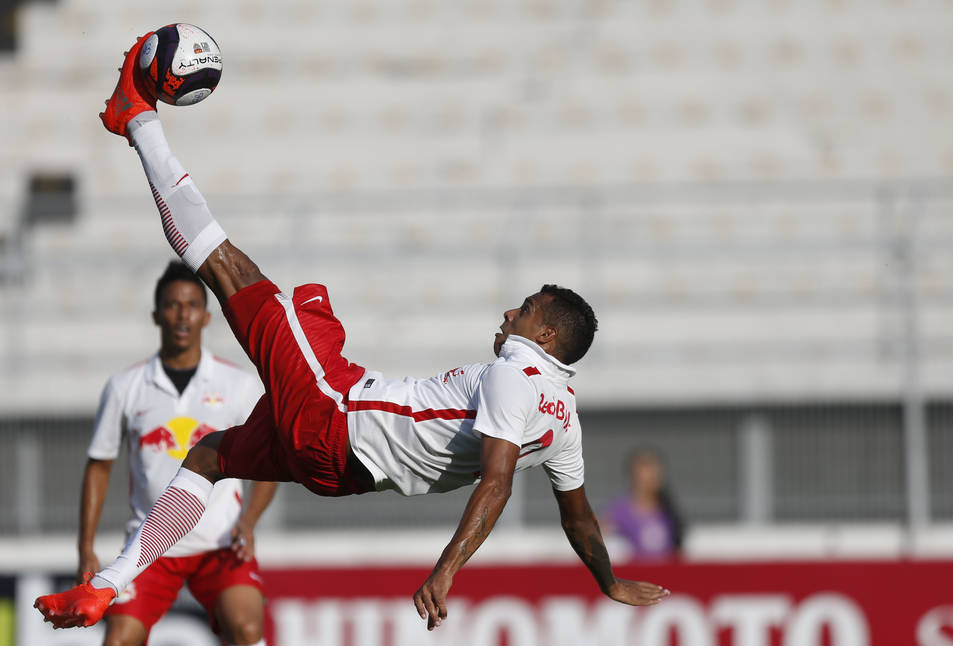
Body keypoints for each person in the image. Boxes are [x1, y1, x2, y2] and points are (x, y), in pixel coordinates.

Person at [35, 32, 669, 633]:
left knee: (229, 270)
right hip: (342, 473)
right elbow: (579, 517)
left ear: (549, 337)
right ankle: (111, 581)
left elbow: (496, 481)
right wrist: (608, 581)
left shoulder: (516, 372)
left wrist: (445, 571)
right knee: (209, 455)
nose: (509, 315)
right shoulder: (565, 419)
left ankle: (137, 117)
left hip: (335, 412)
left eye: (525, 309)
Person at [79, 261, 277, 646]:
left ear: (206, 317)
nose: (182, 314)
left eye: (190, 305)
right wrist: (85, 548)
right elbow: (99, 466)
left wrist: (250, 520)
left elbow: (269, 461)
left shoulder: (238, 385)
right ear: (156, 315)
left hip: (219, 544)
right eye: (172, 305)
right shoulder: (125, 386)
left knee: (248, 630)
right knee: (118, 640)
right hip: (148, 547)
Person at [603, 448, 685, 561]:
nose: (652, 473)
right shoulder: (619, 513)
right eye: (646, 467)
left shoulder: (669, 512)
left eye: (655, 467)